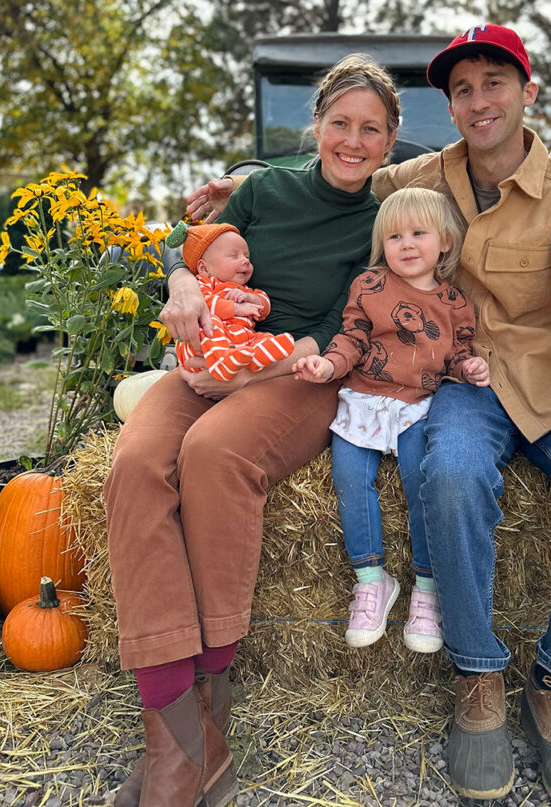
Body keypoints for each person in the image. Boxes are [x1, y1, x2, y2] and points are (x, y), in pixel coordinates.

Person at [188, 22, 551, 807]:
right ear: (450, 105)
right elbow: (340, 167)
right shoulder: (430, 175)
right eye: (462, 89)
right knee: (450, 473)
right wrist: (241, 186)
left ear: (527, 92)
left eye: (494, 83)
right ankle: (477, 671)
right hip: (464, 383)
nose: (478, 101)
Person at [102, 53, 400, 807]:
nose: (353, 141)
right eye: (340, 123)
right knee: (135, 463)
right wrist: (180, 285)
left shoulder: (381, 223)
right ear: (318, 126)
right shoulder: (265, 187)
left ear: (391, 141)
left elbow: (342, 329)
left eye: (370, 129)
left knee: (213, 452)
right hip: (215, 353)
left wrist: (247, 380)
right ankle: (178, 729)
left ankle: (208, 707)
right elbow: (186, 244)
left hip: (301, 373)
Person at [292, 188, 489, 654]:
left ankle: (427, 587)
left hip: (418, 407)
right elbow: (351, 338)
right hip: (364, 398)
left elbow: (455, 356)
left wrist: (469, 368)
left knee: (422, 483)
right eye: (394, 236)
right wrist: (327, 365)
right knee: (349, 478)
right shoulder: (369, 287)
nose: (406, 244)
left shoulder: (456, 303)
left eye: (418, 233)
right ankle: (371, 579)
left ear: (444, 241)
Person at [164, 220, 295, 381]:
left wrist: (251, 298)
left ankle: (258, 357)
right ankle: (222, 362)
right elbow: (204, 304)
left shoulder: (243, 289)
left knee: (261, 337)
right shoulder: (204, 283)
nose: (245, 261)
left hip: (239, 344)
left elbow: (264, 307)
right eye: (234, 256)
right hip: (204, 349)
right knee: (209, 324)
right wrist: (236, 309)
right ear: (204, 268)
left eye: (247, 256)